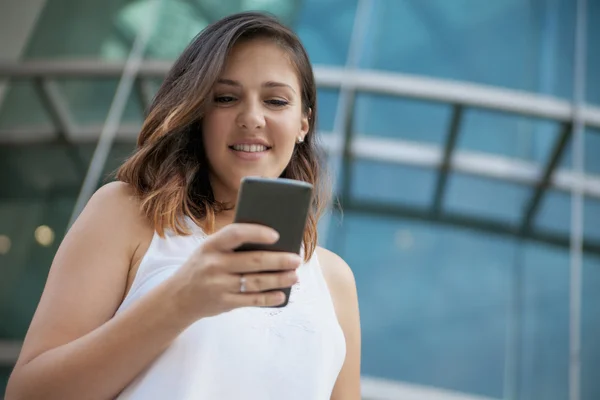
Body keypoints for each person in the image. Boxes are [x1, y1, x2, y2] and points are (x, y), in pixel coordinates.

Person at [5, 11, 361, 400]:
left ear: (303, 124)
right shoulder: (127, 214)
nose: (252, 118)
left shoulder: (334, 280)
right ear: (199, 114)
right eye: (226, 98)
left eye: (276, 101)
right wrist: (181, 302)